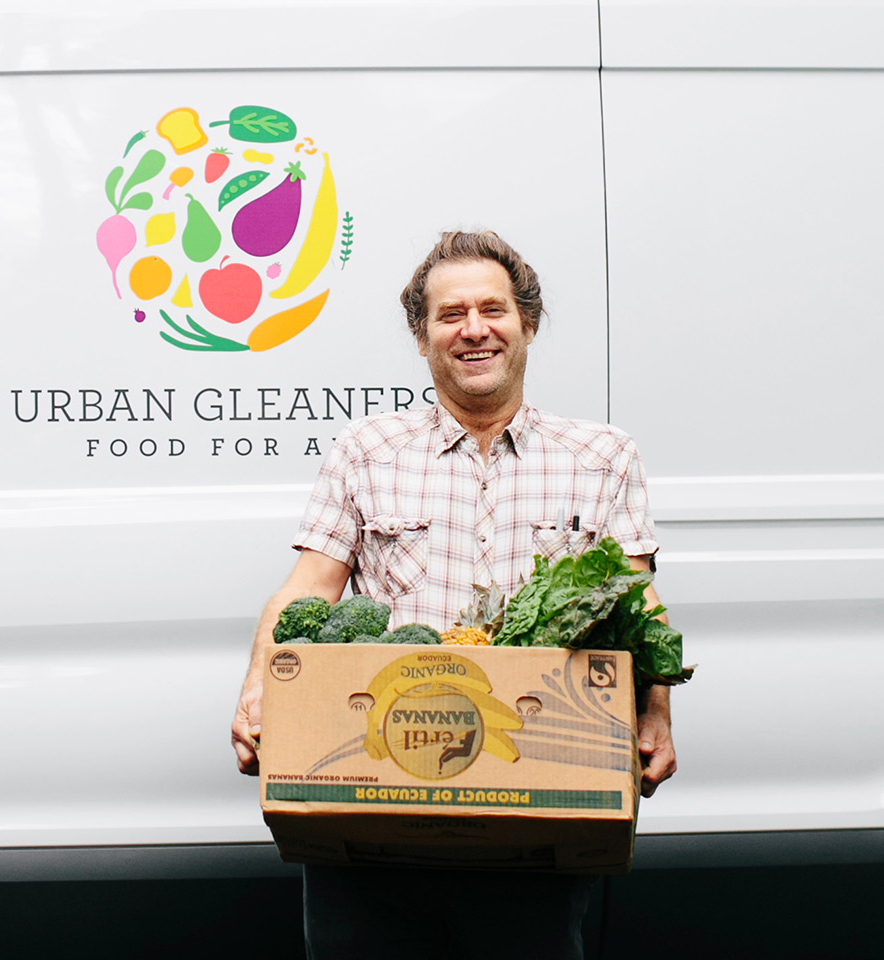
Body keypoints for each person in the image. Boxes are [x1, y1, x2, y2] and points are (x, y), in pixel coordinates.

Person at [230, 230, 676, 959]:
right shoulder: (366, 450)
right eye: (450, 314)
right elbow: (308, 586)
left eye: (493, 310)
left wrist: (656, 711)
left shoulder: (602, 457)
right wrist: (256, 687)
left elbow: (639, 606)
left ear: (526, 324)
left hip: (530, 793)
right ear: (422, 336)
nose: (474, 330)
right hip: (374, 792)